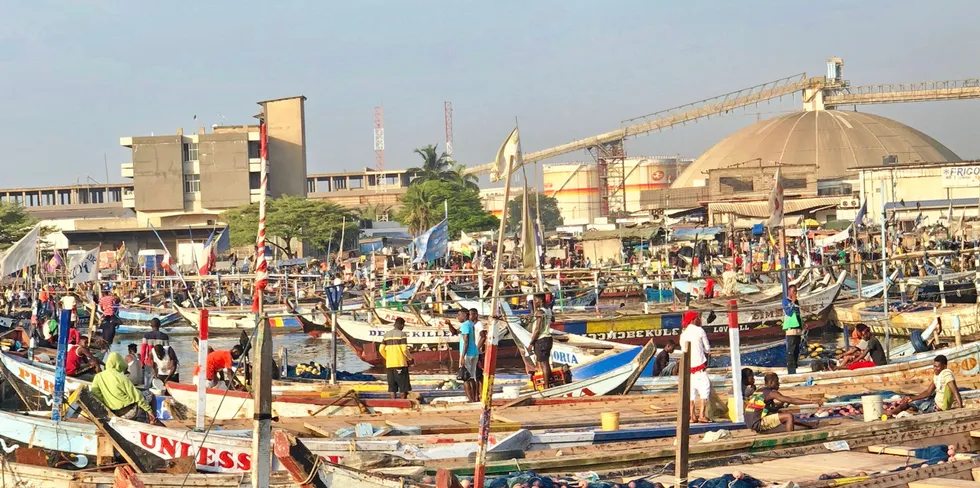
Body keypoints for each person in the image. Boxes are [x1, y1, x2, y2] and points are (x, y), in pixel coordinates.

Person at [89, 352, 156, 424]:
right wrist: (149, 411)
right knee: (149, 394)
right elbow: (136, 395)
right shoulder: (120, 377)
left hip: (114, 411)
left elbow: (95, 394)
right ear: (118, 363)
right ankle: (152, 418)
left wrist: (107, 404)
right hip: (130, 411)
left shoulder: (98, 377)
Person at [886, 355, 963, 416]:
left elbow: (955, 391)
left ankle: (890, 412)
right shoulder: (938, 375)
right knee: (911, 399)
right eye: (934, 366)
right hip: (934, 402)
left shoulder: (946, 374)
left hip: (936, 407)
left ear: (944, 366)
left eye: (937, 366)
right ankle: (895, 411)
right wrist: (913, 398)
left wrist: (961, 408)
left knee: (908, 404)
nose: (935, 369)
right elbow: (928, 392)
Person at [744, 373, 821, 433]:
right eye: (777, 382)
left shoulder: (759, 391)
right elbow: (791, 400)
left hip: (749, 422)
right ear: (771, 382)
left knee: (780, 413)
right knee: (788, 416)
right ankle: (790, 439)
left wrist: (782, 404)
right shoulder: (772, 393)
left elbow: (771, 408)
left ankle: (810, 425)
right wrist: (812, 401)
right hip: (757, 423)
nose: (779, 384)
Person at [679, 311, 711, 423]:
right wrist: (705, 353)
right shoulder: (700, 330)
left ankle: (692, 416)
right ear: (694, 319)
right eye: (697, 318)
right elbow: (707, 348)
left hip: (689, 369)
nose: (699, 320)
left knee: (691, 394)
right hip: (700, 368)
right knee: (705, 390)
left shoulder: (683, 335)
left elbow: (684, 351)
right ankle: (702, 414)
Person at [379, 317, 412, 399]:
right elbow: (404, 349)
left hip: (389, 365)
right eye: (403, 325)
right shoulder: (402, 334)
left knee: (392, 389)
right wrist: (410, 358)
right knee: (403, 388)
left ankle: (393, 404)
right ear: (401, 325)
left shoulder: (386, 335)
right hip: (400, 364)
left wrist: (388, 358)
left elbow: (381, 349)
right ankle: (403, 405)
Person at [528, 293, 554, 389]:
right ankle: (549, 384)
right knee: (546, 362)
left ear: (540, 300)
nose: (534, 302)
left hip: (541, 339)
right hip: (548, 338)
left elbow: (537, 329)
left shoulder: (540, 312)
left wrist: (531, 342)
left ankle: (547, 386)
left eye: (535, 300)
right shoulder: (548, 310)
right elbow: (553, 319)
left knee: (543, 364)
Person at [140, 318, 170, 389]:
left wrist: (142, 362)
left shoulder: (146, 336)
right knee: (159, 385)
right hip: (161, 363)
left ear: (151, 325)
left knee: (147, 384)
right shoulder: (164, 336)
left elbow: (143, 350)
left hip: (149, 362)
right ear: (159, 325)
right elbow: (167, 351)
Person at [457, 310, 479, 402]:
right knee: (472, 377)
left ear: (464, 315)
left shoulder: (465, 325)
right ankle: (474, 398)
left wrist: (462, 356)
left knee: (465, 378)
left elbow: (466, 341)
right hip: (474, 352)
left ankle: (471, 399)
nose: (457, 317)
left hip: (467, 353)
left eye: (459, 315)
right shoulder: (471, 323)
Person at [782, 284, 804, 375]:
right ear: (789, 292)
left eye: (796, 291)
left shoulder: (797, 302)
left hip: (798, 328)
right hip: (791, 328)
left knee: (796, 349)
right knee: (790, 349)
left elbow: (798, 314)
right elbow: (789, 313)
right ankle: (791, 369)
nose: (795, 293)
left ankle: (795, 366)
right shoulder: (785, 301)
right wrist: (792, 303)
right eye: (793, 291)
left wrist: (803, 323)